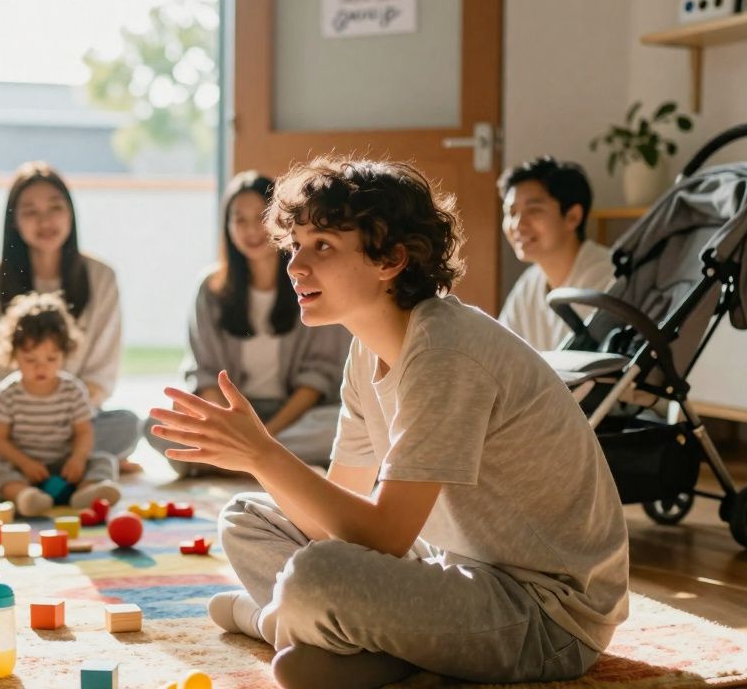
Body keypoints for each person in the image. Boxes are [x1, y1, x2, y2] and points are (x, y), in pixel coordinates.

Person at [150, 157, 629, 688]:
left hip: (546, 614)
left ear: (391, 259)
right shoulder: (365, 350)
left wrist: (262, 453)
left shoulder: (446, 351)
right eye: (296, 246)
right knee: (246, 517)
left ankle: (276, 621)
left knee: (316, 576)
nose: (295, 266)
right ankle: (364, 645)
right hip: (454, 566)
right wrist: (259, 465)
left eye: (323, 246)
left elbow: (382, 534)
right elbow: (337, 513)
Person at [146, 171, 350, 476]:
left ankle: (236, 462)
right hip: (234, 415)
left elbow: (318, 377)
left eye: (261, 217)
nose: (251, 229)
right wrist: (232, 429)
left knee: (343, 425)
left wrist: (261, 439)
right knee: (154, 424)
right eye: (239, 219)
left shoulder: (311, 280)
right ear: (227, 227)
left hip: (294, 416)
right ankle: (266, 465)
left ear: (282, 221)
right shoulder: (211, 288)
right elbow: (205, 371)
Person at [0, 161, 141, 467]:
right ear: (14, 221)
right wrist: (27, 416)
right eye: (30, 211)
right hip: (14, 425)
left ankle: (71, 459)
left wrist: (61, 415)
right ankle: (82, 464)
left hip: (74, 422)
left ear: (70, 213)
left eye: (54, 208)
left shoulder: (100, 276)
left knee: (128, 425)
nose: (44, 220)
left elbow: (102, 370)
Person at [0, 292, 121, 516]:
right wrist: (24, 463)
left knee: (104, 460)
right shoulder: (8, 393)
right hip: (23, 470)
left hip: (65, 469)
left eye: (51, 359)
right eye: (30, 360)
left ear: (64, 353)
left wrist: (77, 460)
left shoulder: (72, 390)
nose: (40, 368)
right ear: (14, 354)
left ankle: (87, 491)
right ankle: (24, 496)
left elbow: (83, 432)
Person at [498, 156, 614, 350]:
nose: (518, 224)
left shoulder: (608, 278)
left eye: (533, 210)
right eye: (511, 212)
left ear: (573, 217)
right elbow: (500, 352)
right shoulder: (529, 284)